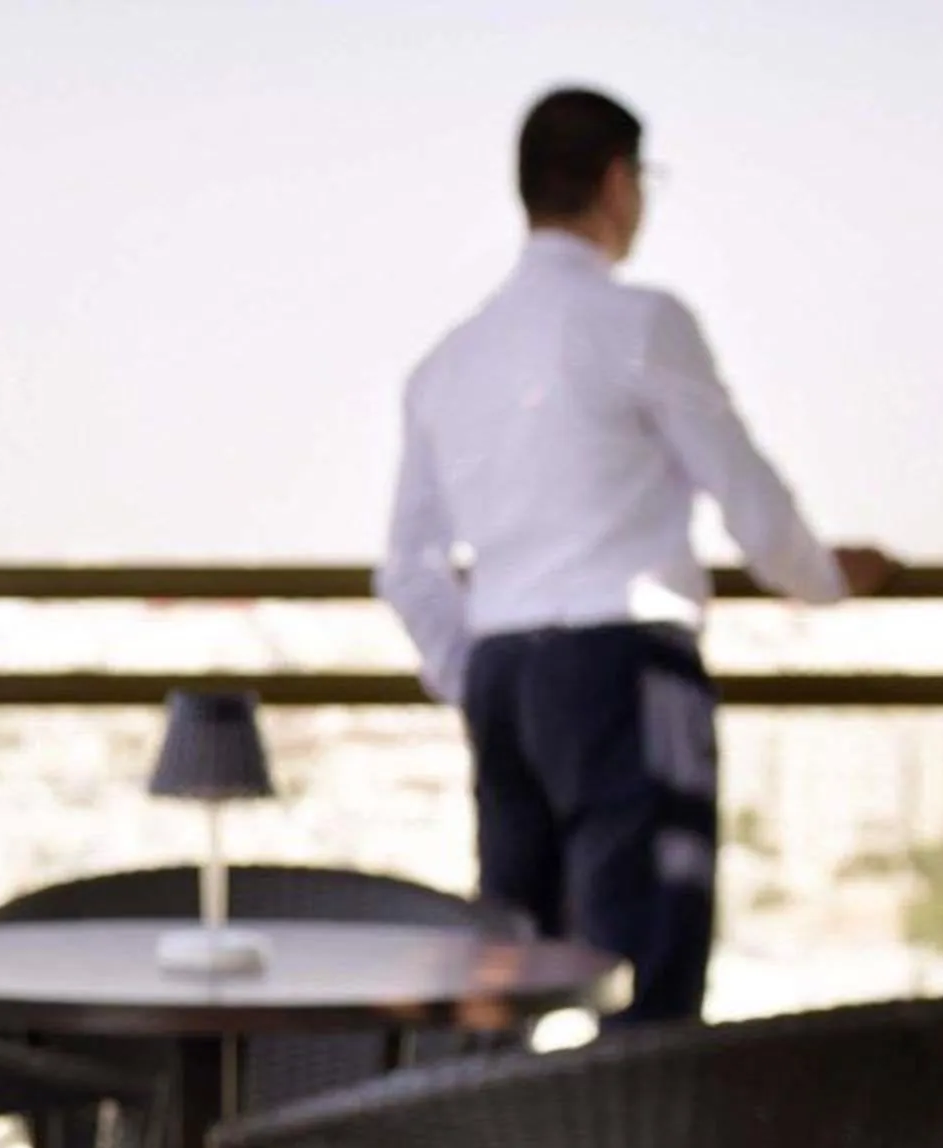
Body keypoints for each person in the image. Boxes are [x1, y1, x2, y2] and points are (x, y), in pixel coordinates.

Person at [377, 86, 893, 1022]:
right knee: (649, 967)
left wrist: (481, 667)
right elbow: (748, 498)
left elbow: (406, 569)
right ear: (618, 182)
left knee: (508, 971)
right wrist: (823, 581)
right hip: (622, 669)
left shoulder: (450, 360)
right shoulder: (641, 325)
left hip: (504, 674)